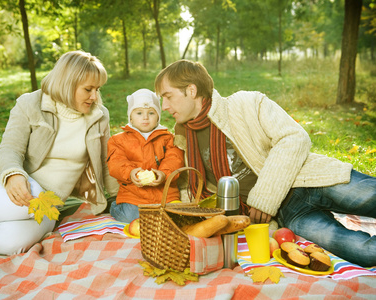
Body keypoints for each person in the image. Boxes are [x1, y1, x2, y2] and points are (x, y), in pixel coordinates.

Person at [154, 59, 376, 267]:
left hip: (309, 179)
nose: (164, 106)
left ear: (191, 90)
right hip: (288, 216)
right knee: (363, 252)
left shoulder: (245, 104)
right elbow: (188, 190)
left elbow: (294, 137)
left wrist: (263, 198)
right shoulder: (183, 138)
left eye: (168, 96)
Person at [0, 50, 119, 255]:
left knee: (13, 243)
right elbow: (10, 148)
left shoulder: (99, 116)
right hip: (4, 184)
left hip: (49, 204)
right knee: (33, 193)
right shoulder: (30, 104)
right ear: (67, 84)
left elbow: (106, 162)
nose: (94, 96)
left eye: (97, 89)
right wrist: (14, 174)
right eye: (88, 89)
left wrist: (120, 198)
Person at [106, 89, 184, 223]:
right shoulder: (118, 141)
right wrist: (130, 173)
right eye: (139, 113)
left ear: (158, 116)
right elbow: (116, 163)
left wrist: (163, 174)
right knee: (131, 217)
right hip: (134, 194)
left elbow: (174, 159)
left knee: (176, 218)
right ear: (130, 117)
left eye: (151, 113)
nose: (145, 117)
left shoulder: (168, 138)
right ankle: (115, 206)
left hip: (165, 194)